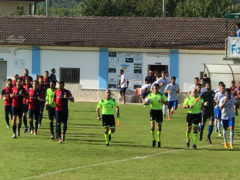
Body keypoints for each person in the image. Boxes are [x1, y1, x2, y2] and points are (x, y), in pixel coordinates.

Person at [143, 84, 168, 148]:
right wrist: (148, 102)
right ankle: (153, 140)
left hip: (159, 111)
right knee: (152, 127)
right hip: (153, 111)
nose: (156, 90)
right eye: (154, 88)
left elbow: (167, 103)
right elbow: (144, 103)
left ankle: (159, 140)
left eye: (157, 88)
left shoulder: (162, 95)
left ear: (158, 88)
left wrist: (162, 101)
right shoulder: (150, 95)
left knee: (159, 127)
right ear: (153, 89)